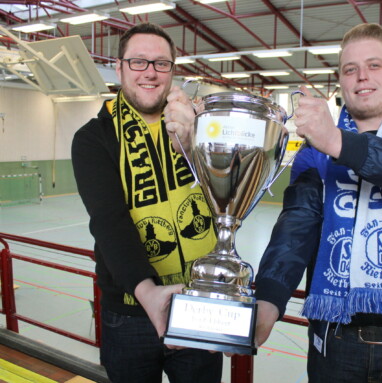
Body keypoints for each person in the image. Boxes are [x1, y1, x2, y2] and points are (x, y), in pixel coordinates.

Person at [253, 23, 382, 382]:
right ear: (341, 80)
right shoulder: (314, 153)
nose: (361, 77)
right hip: (336, 341)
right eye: (350, 69)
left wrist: (339, 142)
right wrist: (269, 298)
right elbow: (296, 228)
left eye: (374, 65)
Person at [71, 22, 222, 383]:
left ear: (173, 70)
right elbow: (109, 222)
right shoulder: (95, 137)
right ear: (119, 67)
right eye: (138, 62)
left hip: (198, 305)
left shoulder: (203, 127)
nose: (150, 72)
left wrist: (196, 140)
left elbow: (226, 199)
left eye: (161, 63)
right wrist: (148, 293)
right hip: (129, 313)